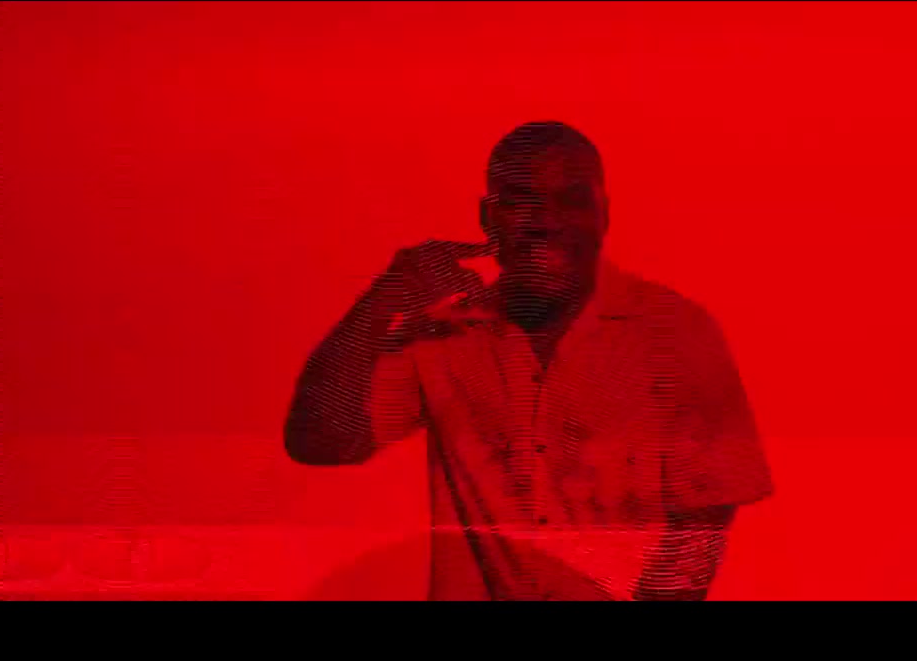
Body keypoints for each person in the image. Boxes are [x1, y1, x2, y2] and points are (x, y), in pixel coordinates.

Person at [285, 121, 773, 600]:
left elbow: (708, 509)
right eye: (522, 201)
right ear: (488, 218)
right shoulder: (444, 337)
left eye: (571, 200)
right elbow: (321, 442)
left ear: (604, 214)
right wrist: (380, 301)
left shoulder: (675, 332)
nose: (547, 221)